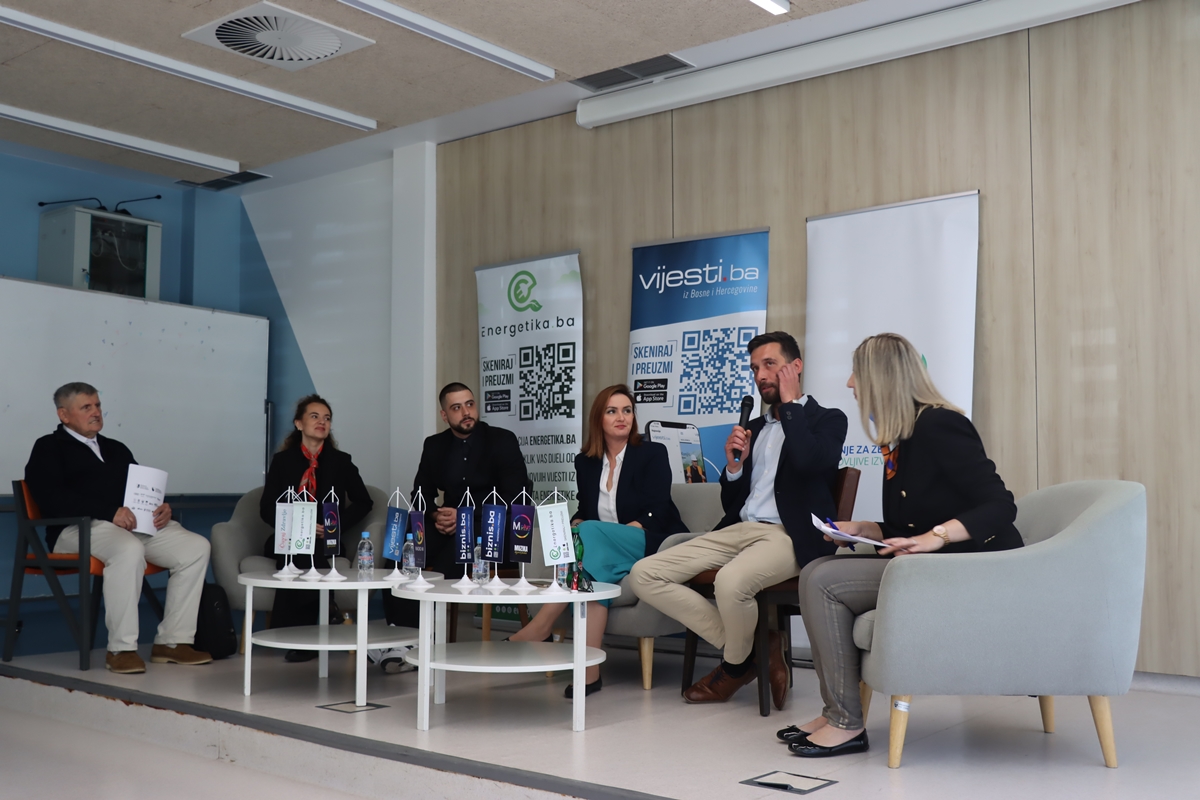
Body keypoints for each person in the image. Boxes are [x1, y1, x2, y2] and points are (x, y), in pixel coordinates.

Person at [781, 332, 1023, 758]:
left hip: (971, 568)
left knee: (822, 581)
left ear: (881, 377)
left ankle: (845, 722)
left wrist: (934, 537)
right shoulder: (902, 438)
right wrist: (866, 528)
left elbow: (1000, 506)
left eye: (856, 374)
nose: (850, 384)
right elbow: (907, 524)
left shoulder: (940, 425)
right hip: (932, 565)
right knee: (816, 569)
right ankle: (836, 712)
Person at [630, 332, 848, 709]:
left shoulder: (827, 419)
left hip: (788, 535)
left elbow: (811, 460)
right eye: (754, 368)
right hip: (740, 529)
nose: (760, 375)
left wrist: (790, 405)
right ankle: (757, 649)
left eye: (769, 365)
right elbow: (732, 501)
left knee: (730, 582)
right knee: (645, 574)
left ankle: (733, 667)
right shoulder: (756, 429)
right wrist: (734, 467)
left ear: (795, 367)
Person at [507, 384, 687, 696]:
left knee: (589, 533)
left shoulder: (652, 453)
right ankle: (589, 673)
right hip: (602, 548)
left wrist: (611, 532)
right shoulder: (586, 462)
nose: (622, 417)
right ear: (598, 419)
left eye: (627, 410)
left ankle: (540, 626)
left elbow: (658, 508)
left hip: (650, 540)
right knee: (591, 571)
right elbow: (587, 509)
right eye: (612, 411)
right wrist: (574, 523)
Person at [24, 383, 213, 674]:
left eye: (98, 405)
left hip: (126, 528)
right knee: (128, 549)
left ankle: (173, 642)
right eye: (86, 407)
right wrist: (108, 512)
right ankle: (121, 649)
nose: (96, 412)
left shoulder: (116, 448)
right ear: (64, 415)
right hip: (74, 530)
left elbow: (140, 491)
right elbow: (51, 498)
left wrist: (160, 507)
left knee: (195, 547)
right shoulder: (48, 447)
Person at [381, 383, 530, 628]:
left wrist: (464, 516)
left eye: (470, 404)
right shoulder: (435, 445)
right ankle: (397, 630)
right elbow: (421, 494)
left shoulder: (502, 440)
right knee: (401, 549)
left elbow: (515, 497)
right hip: (447, 525)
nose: (466, 412)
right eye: (457, 408)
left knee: (449, 558)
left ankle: (419, 632)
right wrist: (434, 515)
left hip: (489, 527)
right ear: (444, 415)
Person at [259, 395, 374, 663]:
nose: (322, 422)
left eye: (327, 418)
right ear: (299, 423)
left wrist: (335, 525)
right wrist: (296, 524)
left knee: (308, 551)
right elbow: (266, 508)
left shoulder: (340, 461)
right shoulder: (282, 461)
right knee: (298, 548)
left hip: (326, 539)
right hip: (288, 537)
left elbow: (364, 501)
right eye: (314, 416)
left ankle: (297, 637)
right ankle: (321, 617)